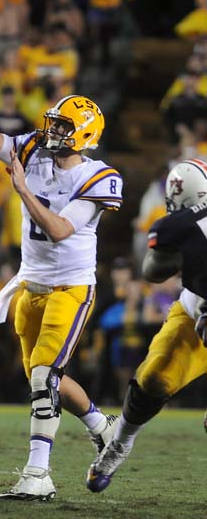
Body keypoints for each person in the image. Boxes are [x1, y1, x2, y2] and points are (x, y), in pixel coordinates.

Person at [0, 94, 123, 501]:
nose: (54, 131)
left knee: (44, 376)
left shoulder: (100, 177)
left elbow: (62, 229)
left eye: (64, 126)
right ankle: (103, 428)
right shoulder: (33, 149)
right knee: (46, 377)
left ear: (83, 135)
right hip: (31, 284)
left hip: (72, 288)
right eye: (54, 123)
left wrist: (22, 190)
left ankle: (38, 474)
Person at [86, 159, 207, 492]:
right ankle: (120, 443)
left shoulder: (176, 224)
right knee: (155, 377)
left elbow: (155, 270)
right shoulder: (182, 225)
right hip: (196, 305)